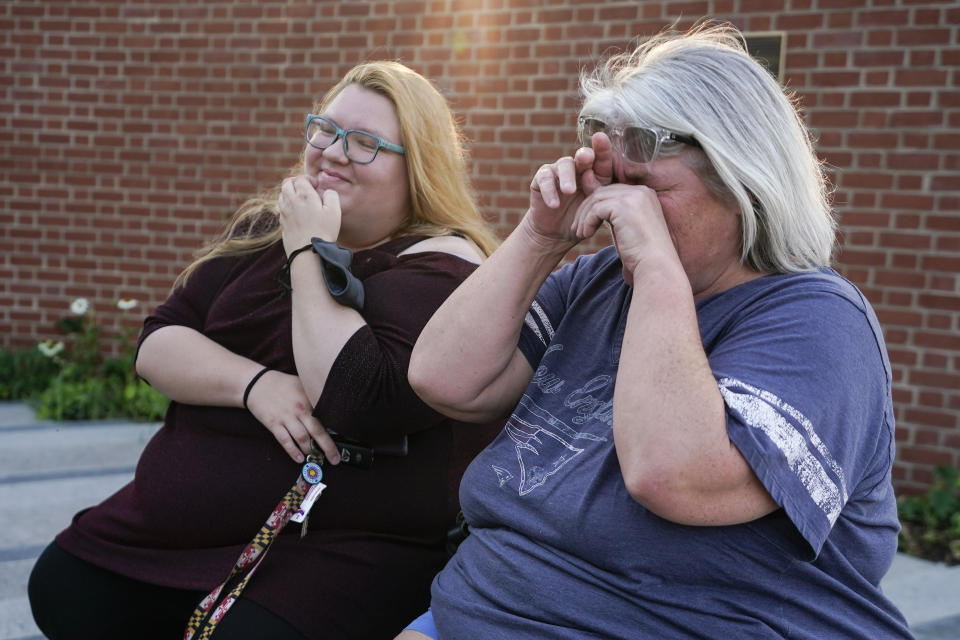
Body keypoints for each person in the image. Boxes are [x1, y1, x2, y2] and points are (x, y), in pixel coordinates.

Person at [397, 22, 914, 640]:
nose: (621, 207)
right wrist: (541, 237)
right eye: (619, 184)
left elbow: (671, 476)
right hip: (476, 610)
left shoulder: (820, 321)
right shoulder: (601, 281)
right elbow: (444, 378)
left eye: (647, 189)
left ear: (743, 183)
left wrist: (657, 269)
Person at [28, 60, 504, 640]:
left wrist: (308, 251)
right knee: (64, 582)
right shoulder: (263, 227)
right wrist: (256, 386)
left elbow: (360, 398)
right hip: (172, 536)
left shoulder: (441, 266)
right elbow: (159, 341)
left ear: (420, 168)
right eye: (324, 130)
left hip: (330, 549)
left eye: (363, 144)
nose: (331, 152)